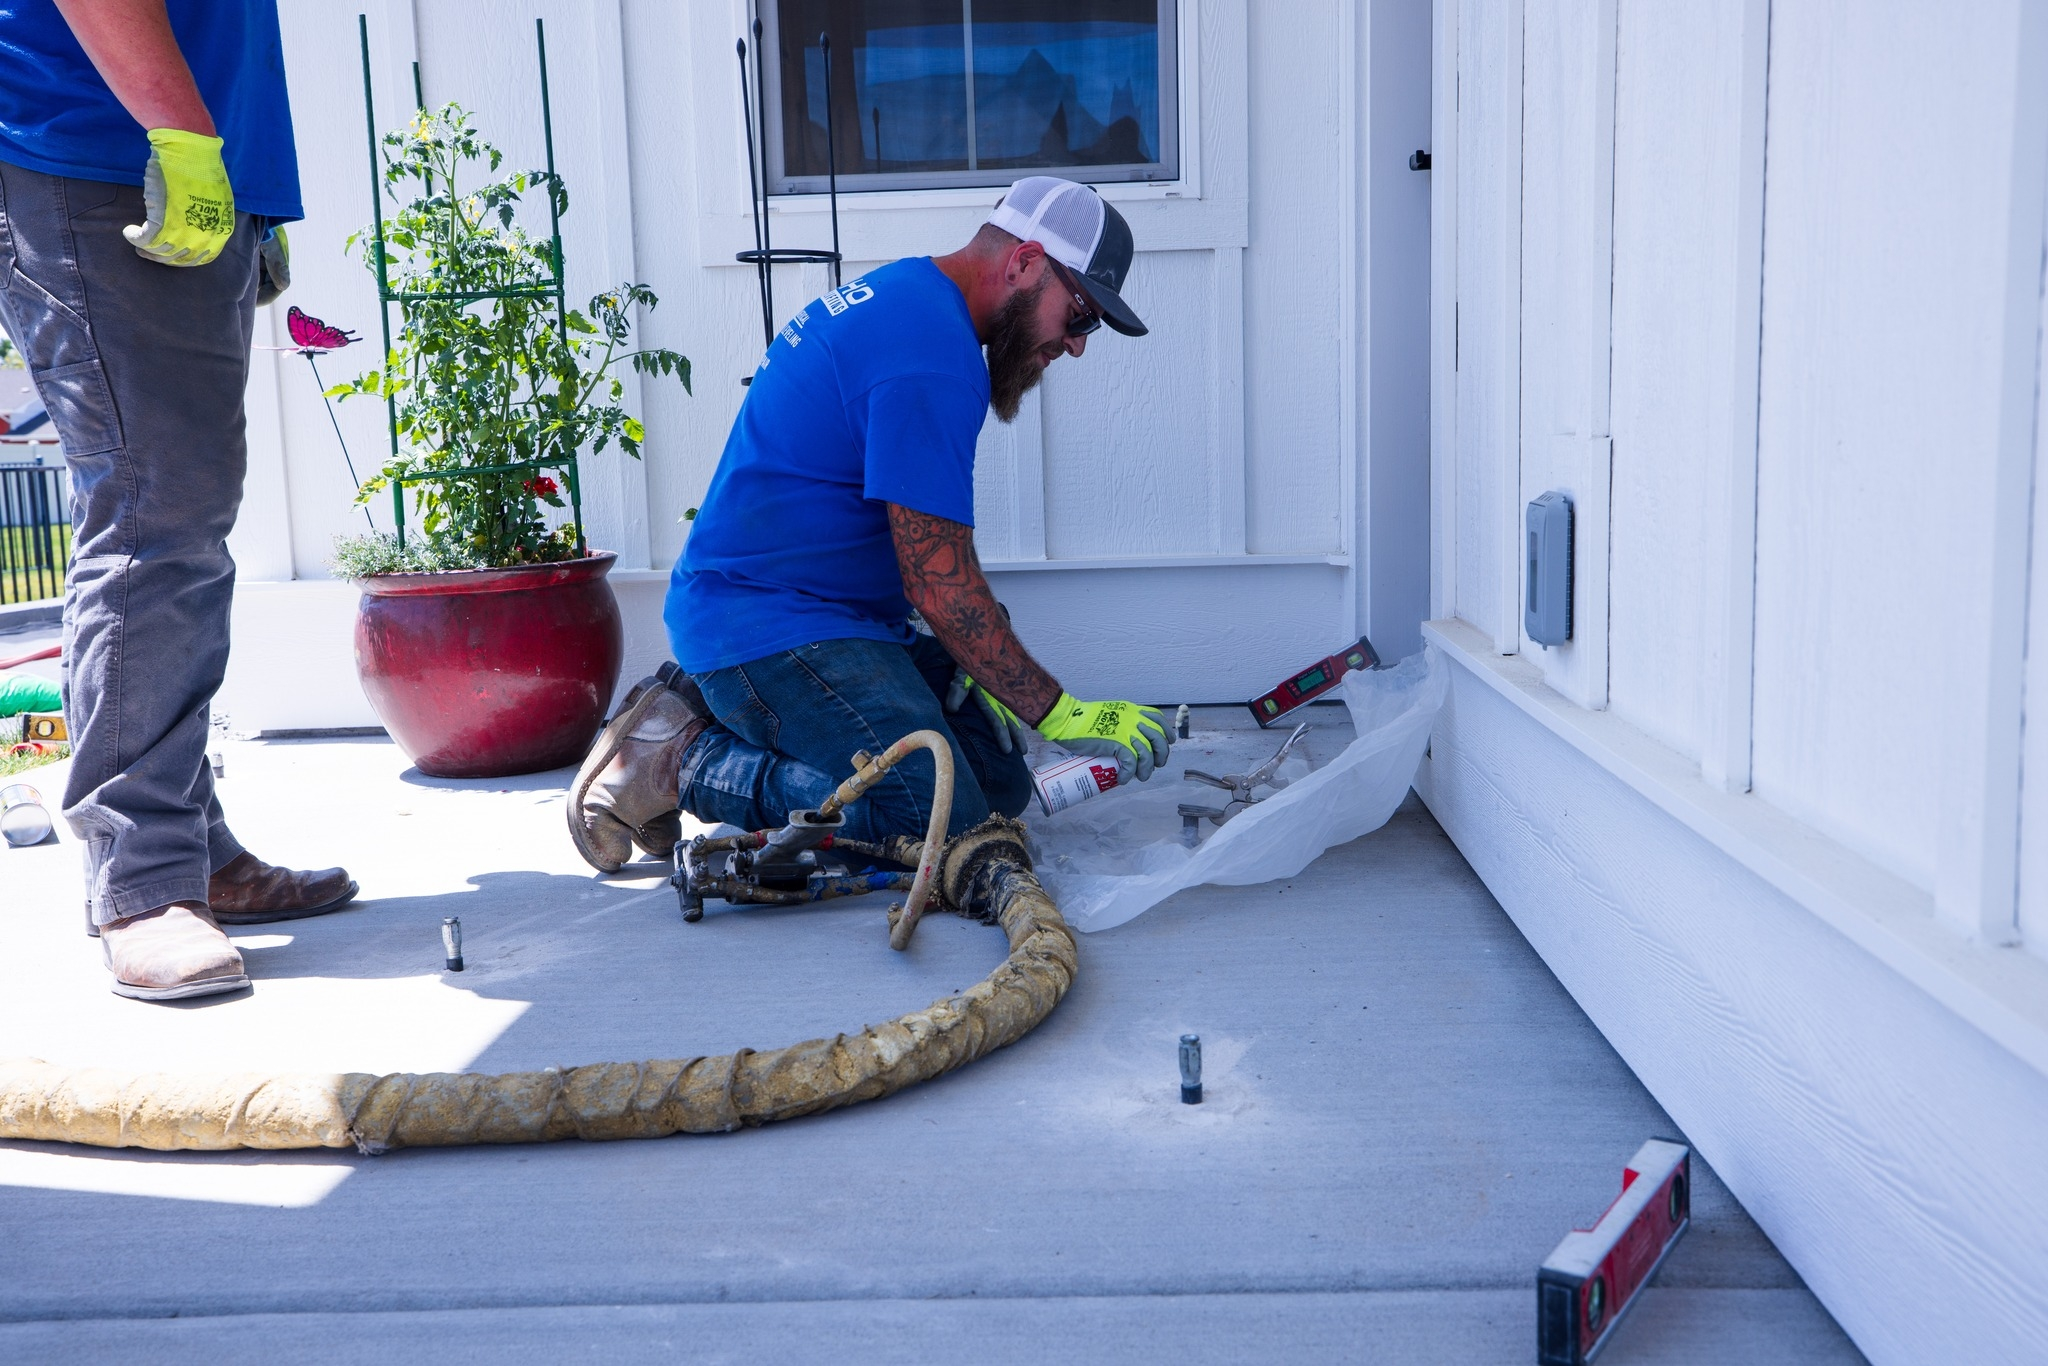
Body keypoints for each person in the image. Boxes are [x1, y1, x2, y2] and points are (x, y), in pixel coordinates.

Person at [571, 176, 1173, 869]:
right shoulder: (931, 357)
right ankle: (678, 757)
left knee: (999, 785)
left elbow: (928, 569)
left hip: (836, 616)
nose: (1077, 346)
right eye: (1079, 316)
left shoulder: (916, 300)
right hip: (766, 626)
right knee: (932, 821)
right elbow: (940, 586)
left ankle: (696, 709)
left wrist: (974, 658)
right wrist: (1059, 711)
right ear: (1026, 263)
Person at [0, 0, 356, 1001]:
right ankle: (143, 881)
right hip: (102, 150)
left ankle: (191, 846)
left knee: (181, 508)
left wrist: (244, 184)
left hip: (158, 151)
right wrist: (186, 139)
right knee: (156, 507)